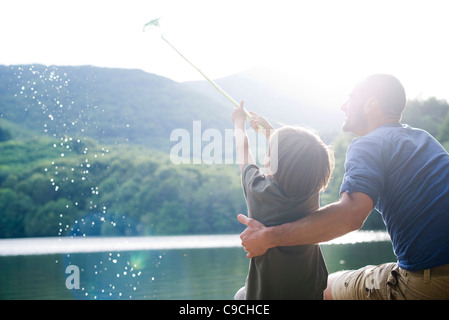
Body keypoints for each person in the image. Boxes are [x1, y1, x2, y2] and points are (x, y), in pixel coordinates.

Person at [237, 74, 449, 300]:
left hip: (428, 283)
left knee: (324, 289)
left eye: (350, 98)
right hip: (435, 274)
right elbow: (298, 165)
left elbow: (351, 216)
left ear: (371, 103)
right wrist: (274, 136)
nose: (343, 106)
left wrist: (269, 237)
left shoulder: (368, 144)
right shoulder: (423, 140)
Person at [231, 101, 334, 299]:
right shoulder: (311, 190)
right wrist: (270, 132)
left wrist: (238, 123)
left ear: (271, 160)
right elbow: (300, 161)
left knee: (239, 296)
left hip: (265, 297)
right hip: (311, 293)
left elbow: (243, 149)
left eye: (269, 153)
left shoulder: (258, 189)